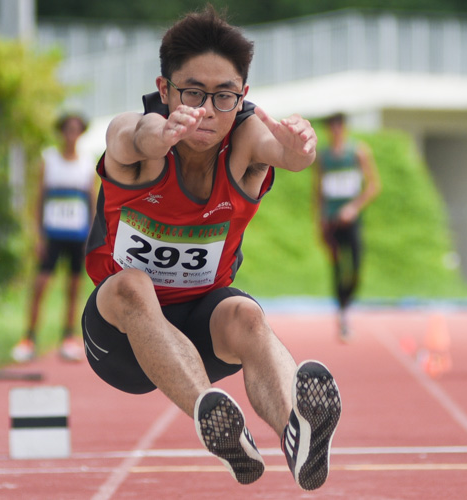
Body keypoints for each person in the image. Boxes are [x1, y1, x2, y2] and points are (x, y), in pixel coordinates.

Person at [81, 6, 341, 491]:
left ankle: (297, 432)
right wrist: (162, 132)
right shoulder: (134, 134)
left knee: (245, 314)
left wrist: (299, 151)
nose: (207, 109)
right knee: (132, 286)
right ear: (165, 90)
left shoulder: (243, 140)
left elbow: (279, 151)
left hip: (202, 328)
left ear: (242, 96)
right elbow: (130, 136)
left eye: (224, 96)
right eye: (192, 92)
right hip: (121, 340)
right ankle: (216, 419)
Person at [12, 114, 97, 363]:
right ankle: (28, 338)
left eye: (76, 129)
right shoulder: (49, 159)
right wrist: (37, 234)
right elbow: (39, 198)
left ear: (80, 133)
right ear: (61, 132)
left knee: (73, 287)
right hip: (52, 235)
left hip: (77, 235)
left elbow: (91, 200)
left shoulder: (86, 162)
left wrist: (91, 234)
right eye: (67, 129)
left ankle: (68, 338)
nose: (71, 134)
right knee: (40, 285)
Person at [314, 112, 381, 342]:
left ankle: (347, 303)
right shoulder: (323, 157)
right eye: (330, 126)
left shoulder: (358, 152)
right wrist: (320, 222)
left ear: (344, 127)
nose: (334, 130)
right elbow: (318, 191)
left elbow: (373, 186)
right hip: (331, 222)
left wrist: (353, 207)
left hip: (351, 221)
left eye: (337, 125)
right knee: (337, 269)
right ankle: (342, 316)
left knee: (356, 267)